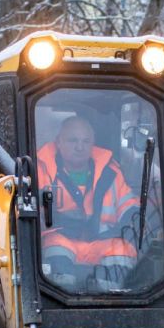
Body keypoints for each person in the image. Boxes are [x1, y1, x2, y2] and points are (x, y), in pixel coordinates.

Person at [36, 115, 141, 291]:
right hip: (63, 240)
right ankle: (60, 296)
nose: (80, 147)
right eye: (73, 140)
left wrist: (132, 222)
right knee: (54, 246)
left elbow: (129, 205)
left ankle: (114, 300)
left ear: (93, 143)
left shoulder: (111, 173)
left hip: (102, 240)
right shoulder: (41, 171)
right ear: (58, 142)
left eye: (86, 141)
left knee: (122, 248)